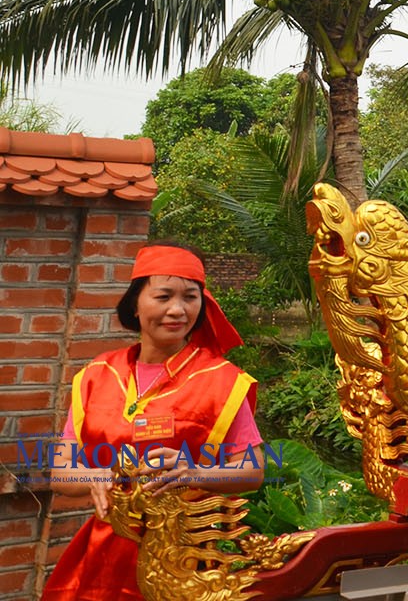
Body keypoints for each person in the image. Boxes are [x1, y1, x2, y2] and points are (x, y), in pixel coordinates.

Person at [44, 244, 263, 601]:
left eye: (190, 297)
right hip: (104, 554)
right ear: (135, 303)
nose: (178, 310)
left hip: (185, 562)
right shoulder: (97, 375)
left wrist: (195, 473)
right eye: (163, 296)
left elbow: (253, 470)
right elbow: (61, 473)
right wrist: (93, 476)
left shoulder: (221, 381)